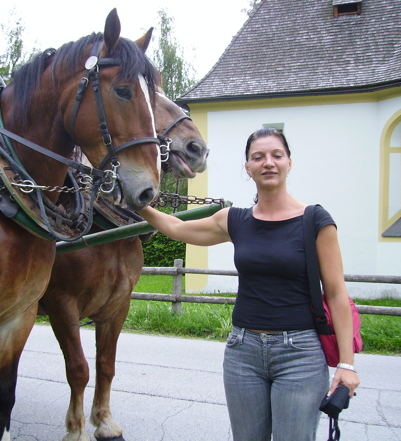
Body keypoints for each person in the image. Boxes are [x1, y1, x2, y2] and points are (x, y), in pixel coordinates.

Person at [138, 127, 360, 441]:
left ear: (289, 163)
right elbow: (176, 227)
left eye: (276, 155)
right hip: (243, 353)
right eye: (258, 157)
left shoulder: (315, 220)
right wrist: (137, 202)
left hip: (299, 354)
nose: (268, 162)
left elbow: (337, 295)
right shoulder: (235, 220)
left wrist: (347, 364)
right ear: (248, 168)